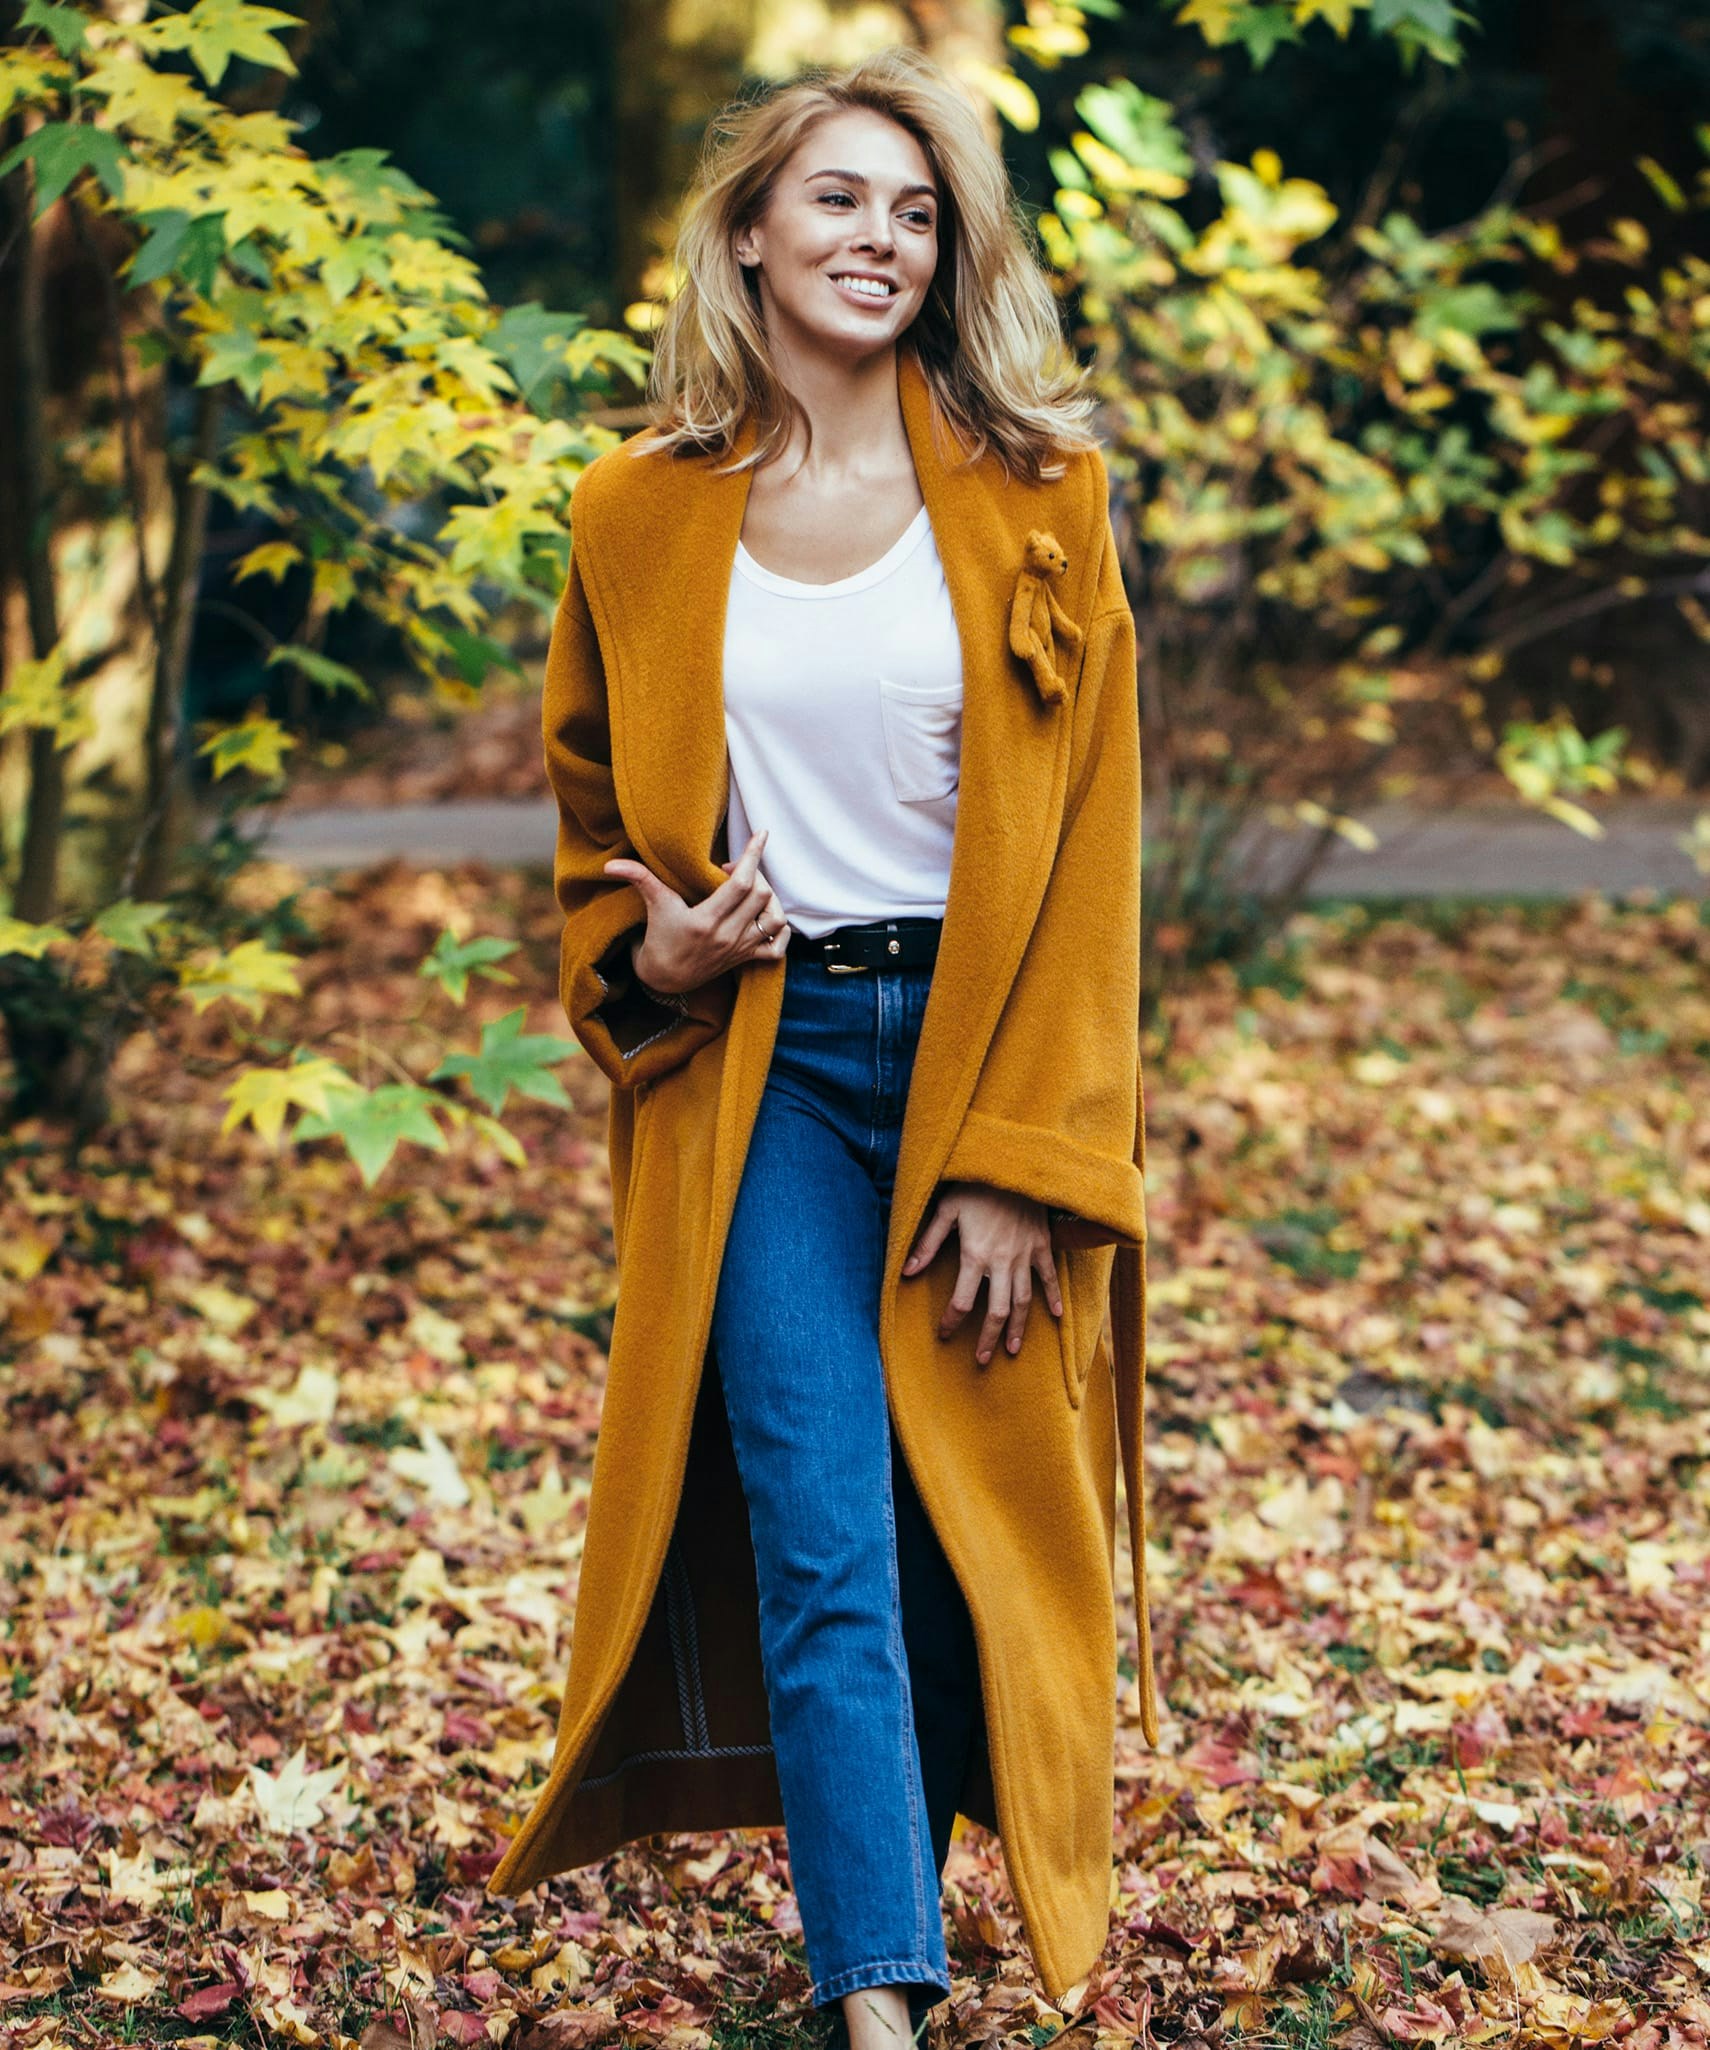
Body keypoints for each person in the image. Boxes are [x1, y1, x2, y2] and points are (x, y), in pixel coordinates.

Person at [486, 45, 1157, 2050]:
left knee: (985, 1533)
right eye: (840, 201)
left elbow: (1093, 863)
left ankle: (962, 1874)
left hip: (968, 1056)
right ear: (752, 235)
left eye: (916, 208)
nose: (880, 237)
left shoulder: (1042, 495)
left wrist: (1023, 1155)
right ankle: (882, 1994)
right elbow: (587, 833)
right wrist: (660, 943)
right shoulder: (634, 510)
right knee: (820, 1513)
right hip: (760, 1072)